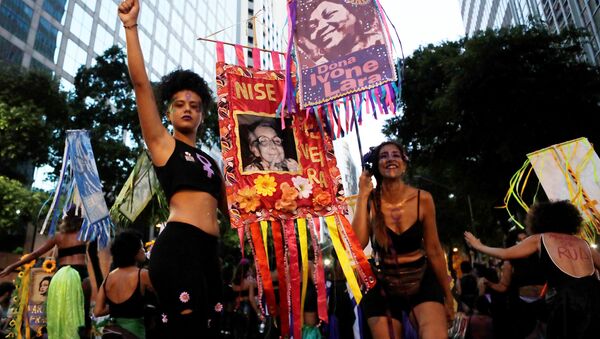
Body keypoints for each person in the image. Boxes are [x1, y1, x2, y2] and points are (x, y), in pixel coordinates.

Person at [118, 1, 228, 336]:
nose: (187, 110)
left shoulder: (214, 163)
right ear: (168, 111)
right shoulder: (164, 145)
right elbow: (140, 86)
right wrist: (130, 27)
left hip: (210, 253)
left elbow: (236, 211)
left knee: (212, 328)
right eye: (179, 104)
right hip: (178, 246)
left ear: (203, 115)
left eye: (195, 106)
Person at [352, 141, 454, 338]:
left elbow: (433, 250)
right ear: (375, 167)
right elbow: (357, 244)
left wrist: (448, 296)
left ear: (404, 164)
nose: (390, 158)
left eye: (395, 155)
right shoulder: (370, 201)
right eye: (383, 156)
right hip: (382, 283)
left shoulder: (423, 199)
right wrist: (362, 196)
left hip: (420, 279)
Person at [465, 200, 600, 339]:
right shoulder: (583, 243)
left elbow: (505, 253)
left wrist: (479, 246)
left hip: (567, 302)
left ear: (540, 220)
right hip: (595, 296)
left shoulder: (540, 238)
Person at [0, 206, 91, 337]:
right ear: (81, 219)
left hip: (61, 277)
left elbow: (35, 254)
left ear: (65, 219)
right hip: (80, 275)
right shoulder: (85, 234)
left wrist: (11, 266)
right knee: (82, 312)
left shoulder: (58, 237)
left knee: (60, 313)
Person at [94, 230, 153, 339]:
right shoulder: (143, 275)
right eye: (140, 247)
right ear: (133, 252)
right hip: (135, 333)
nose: (143, 250)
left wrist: (118, 308)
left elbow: (97, 311)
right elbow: (163, 296)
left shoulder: (109, 278)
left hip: (114, 333)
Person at [296, 0, 385, 66]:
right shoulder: (323, 71)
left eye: (329, 14)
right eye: (313, 27)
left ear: (356, 14)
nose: (320, 27)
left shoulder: (381, 47)